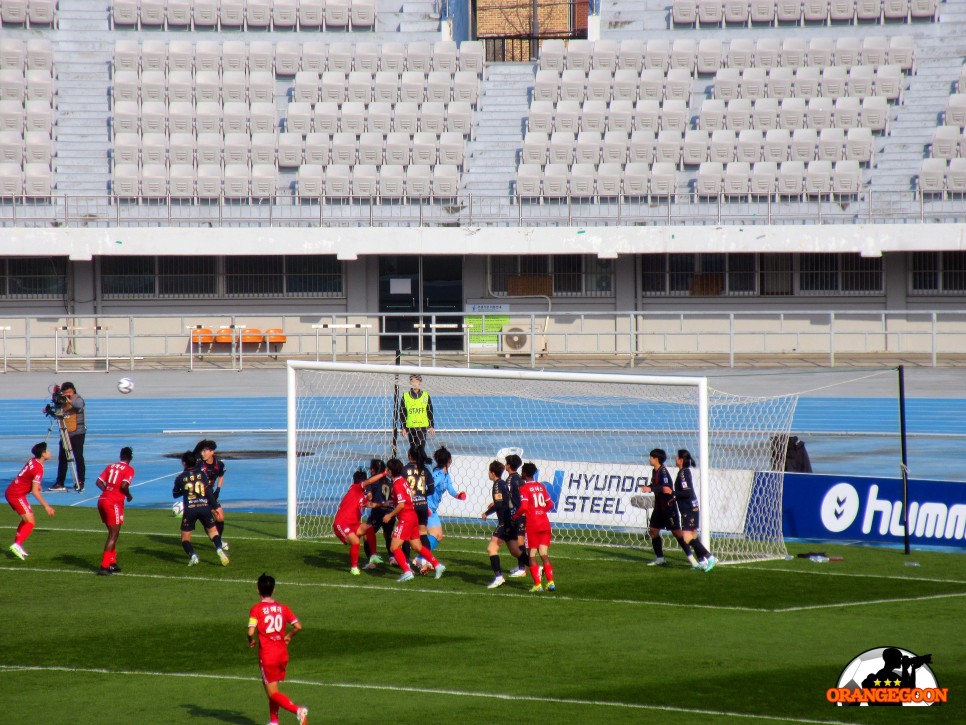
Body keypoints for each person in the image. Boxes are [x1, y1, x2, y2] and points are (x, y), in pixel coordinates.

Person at [248, 573, 309, 725]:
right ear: (274, 590)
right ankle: (274, 721)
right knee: (274, 689)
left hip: (268, 655)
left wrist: (251, 640)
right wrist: (289, 636)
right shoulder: (283, 608)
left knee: (272, 693)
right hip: (282, 653)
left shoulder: (256, 609)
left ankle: (298, 711)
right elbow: (298, 627)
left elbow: (250, 631)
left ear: (258, 590)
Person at [382, 457, 445, 582]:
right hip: (413, 516)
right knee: (417, 546)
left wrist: (390, 515)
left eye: (387, 468)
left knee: (394, 547)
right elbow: (410, 494)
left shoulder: (397, 484)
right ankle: (438, 565)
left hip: (406, 518)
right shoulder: (403, 481)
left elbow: (401, 505)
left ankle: (407, 571)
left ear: (390, 471)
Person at [172, 450, 229, 567]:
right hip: (204, 507)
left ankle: (193, 556)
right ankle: (218, 548)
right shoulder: (202, 474)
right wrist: (215, 506)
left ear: (184, 463)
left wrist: (185, 490)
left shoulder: (180, 477)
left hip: (190, 509)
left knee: (185, 538)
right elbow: (208, 491)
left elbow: (175, 494)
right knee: (213, 533)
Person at [482, 460, 527, 589]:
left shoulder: (497, 485)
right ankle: (536, 567)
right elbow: (507, 502)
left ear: (492, 473)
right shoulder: (503, 483)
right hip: (511, 521)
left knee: (492, 549)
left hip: (505, 522)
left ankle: (499, 577)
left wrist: (487, 512)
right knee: (516, 552)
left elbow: (500, 505)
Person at [6, 442, 55, 560]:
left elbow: (27, 476)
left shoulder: (33, 461)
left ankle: (17, 545)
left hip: (14, 492)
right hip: (16, 494)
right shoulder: (39, 468)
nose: (50, 452)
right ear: (43, 454)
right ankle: (17, 545)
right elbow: (35, 491)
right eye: (47, 450)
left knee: (26, 520)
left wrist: (36, 485)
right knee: (30, 522)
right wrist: (46, 506)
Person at [671, 449, 718, 572]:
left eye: (676, 457)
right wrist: (675, 499)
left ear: (681, 460)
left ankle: (710, 557)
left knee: (687, 538)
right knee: (692, 535)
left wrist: (672, 493)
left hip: (689, 509)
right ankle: (702, 562)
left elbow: (687, 492)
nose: (675, 459)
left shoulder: (683, 474)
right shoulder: (684, 472)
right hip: (691, 507)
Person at [514, 462, 556, 593]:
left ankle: (537, 584)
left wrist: (515, 516)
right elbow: (550, 504)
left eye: (522, 472)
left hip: (533, 525)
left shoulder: (524, 488)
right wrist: (540, 511)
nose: (521, 474)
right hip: (544, 523)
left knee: (531, 554)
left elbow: (524, 507)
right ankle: (550, 582)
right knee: (544, 553)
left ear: (525, 474)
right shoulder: (541, 486)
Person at [95, 446, 135, 576]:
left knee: (112, 532)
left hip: (102, 500)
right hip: (113, 503)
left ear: (120, 456)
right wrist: (128, 496)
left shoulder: (110, 467)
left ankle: (112, 562)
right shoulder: (129, 470)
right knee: (114, 534)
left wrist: (108, 490)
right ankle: (104, 565)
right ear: (130, 458)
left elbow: (99, 482)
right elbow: (124, 486)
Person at [425, 446, 466, 555]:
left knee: (439, 536)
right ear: (448, 461)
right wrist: (425, 506)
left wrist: (458, 495)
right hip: (427, 508)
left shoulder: (446, 475)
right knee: (434, 534)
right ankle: (422, 558)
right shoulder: (437, 475)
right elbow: (424, 489)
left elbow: (451, 489)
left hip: (433, 509)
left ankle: (421, 558)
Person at [641, 448, 675, 567]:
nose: (649, 459)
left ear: (656, 459)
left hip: (667, 507)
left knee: (678, 534)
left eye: (651, 457)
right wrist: (649, 487)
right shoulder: (654, 471)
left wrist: (650, 489)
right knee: (653, 531)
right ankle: (660, 558)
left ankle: (696, 557)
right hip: (658, 507)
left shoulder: (663, 472)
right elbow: (656, 485)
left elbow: (667, 488)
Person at [50, 381, 86, 492]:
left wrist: (70, 400)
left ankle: (80, 481)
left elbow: (79, 405)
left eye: (69, 392)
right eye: (65, 393)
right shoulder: (62, 401)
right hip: (65, 433)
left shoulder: (78, 399)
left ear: (73, 391)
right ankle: (60, 482)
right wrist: (49, 411)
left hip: (77, 433)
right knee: (63, 458)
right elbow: (58, 414)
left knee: (78, 457)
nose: (67, 395)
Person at [194, 439, 229, 550]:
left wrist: (218, 489)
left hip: (211, 495)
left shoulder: (219, 464)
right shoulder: (199, 465)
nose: (202, 453)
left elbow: (221, 476)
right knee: (208, 520)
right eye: (202, 451)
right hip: (199, 497)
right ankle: (216, 541)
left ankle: (218, 540)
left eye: (205, 451)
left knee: (220, 517)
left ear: (212, 452)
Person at [333, 470, 370, 575]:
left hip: (352, 524)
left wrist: (384, 504)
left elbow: (369, 504)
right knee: (356, 542)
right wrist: (383, 474)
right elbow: (369, 482)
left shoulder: (360, 495)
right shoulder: (355, 488)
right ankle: (354, 568)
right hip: (341, 524)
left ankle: (373, 556)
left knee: (369, 529)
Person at [403, 446, 434, 571]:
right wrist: (421, 495)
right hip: (422, 506)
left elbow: (400, 487)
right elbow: (431, 489)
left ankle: (406, 563)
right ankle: (425, 561)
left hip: (410, 507)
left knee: (405, 535)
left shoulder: (404, 470)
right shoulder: (425, 470)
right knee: (423, 533)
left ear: (410, 455)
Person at [358, 459, 393, 570]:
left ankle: (372, 561)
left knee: (367, 535)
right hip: (390, 512)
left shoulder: (371, 481)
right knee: (388, 535)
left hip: (378, 512)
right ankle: (392, 557)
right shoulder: (388, 481)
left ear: (373, 470)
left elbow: (369, 497)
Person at [503, 453, 530, 577]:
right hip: (523, 513)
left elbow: (507, 496)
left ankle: (523, 568)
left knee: (519, 542)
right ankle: (521, 567)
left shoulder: (510, 480)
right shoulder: (520, 478)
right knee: (519, 541)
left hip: (516, 514)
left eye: (506, 463)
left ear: (508, 466)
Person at [398, 374, 434, 461]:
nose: (414, 383)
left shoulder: (425, 395)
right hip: (411, 427)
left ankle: (422, 465)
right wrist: (403, 427)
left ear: (420, 382)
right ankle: (415, 465)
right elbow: (402, 413)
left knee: (421, 448)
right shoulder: (406, 396)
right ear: (410, 383)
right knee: (413, 448)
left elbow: (429, 411)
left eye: (416, 381)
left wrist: (431, 426)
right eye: (412, 381)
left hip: (422, 427)